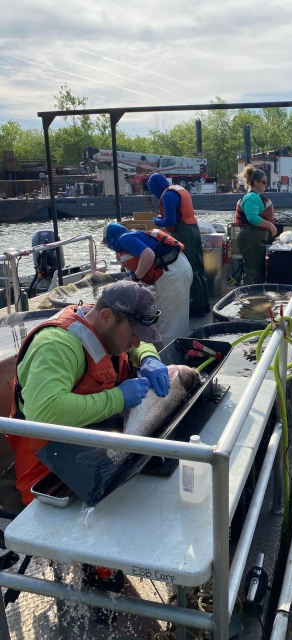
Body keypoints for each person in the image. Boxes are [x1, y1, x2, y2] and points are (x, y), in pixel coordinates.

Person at [7, 280, 170, 506]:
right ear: (106, 317)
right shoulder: (56, 345)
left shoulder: (106, 323)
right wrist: (118, 399)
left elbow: (136, 345)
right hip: (47, 460)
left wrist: (148, 357)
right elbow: (43, 413)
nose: (136, 342)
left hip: (94, 439)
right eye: (133, 333)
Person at [104, 222, 193, 347]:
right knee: (177, 316)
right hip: (178, 269)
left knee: (168, 321)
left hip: (172, 273)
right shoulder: (133, 235)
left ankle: (168, 359)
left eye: (106, 241)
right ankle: (180, 349)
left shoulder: (124, 238)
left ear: (111, 237)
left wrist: (134, 278)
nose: (108, 245)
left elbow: (148, 255)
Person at [147, 173, 210, 318]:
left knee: (189, 268)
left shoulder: (168, 196)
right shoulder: (179, 189)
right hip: (194, 228)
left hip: (183, 232)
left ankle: (196, 307)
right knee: (199, 268)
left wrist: (157, 221)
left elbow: (170, 221)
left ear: (155, 187)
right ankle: (205, 304)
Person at [235, 165, 277, 284]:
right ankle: (248, 300)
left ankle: (257, 298)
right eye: (263, 182)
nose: (265, 185)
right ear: (255, 182)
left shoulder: (255, 197)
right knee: (252, 272)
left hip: (255, 238)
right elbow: (252, 218)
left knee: (258, 272)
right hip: (250, 238)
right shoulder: (251, 197)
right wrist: (270, 226)